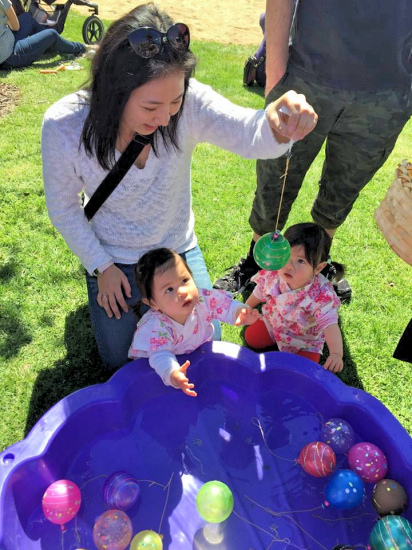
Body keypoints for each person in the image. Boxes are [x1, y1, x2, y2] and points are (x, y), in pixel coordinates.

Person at [41, 3, 318, 371]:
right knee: (126, 363)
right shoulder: (64, 125)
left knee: (205, 344)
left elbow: (250, 133)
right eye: (151, 106)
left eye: (175, 101)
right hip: (114, 254)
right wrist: (100, 266)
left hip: (176, 251)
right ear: (114, 89)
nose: (166, 117)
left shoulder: (188, 103)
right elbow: (63, 209)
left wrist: (279, 123)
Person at [214, 0, 412, 296]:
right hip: (306, 76)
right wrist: (276, 76)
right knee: (276, 174)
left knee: (344, 188)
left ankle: (318, 261)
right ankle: (258, 260)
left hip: (388, 92)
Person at [128, 248, 261, 396]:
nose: (182, 291)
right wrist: (172, 373)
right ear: (153, 303)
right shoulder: (157, 328)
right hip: (157, 365)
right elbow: (160, 355)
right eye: (169, 289)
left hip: (192, 350)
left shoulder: (202, 299)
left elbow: (225, 305)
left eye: (184, 280)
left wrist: (239, 312)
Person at [244, 223, 344, 373]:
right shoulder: (274, 273)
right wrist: (246, 307)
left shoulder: (321, 295)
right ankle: (274, 338)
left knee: (302, 370)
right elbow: (260, 290)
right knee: (251, 337)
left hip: (304, 340)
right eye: (286, 257)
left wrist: (337, 353)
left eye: (300, 261)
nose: (289, 266)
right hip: (274, 324)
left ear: (318, 268)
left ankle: (302, 354)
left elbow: (330, 325)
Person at [0, 0, 92, 69]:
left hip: (6, 43)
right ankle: (83, 48)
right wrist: (6, 20)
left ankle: (48, 44)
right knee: (52, 34)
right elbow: (15, 27)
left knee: (27, 18)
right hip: (8, 57)